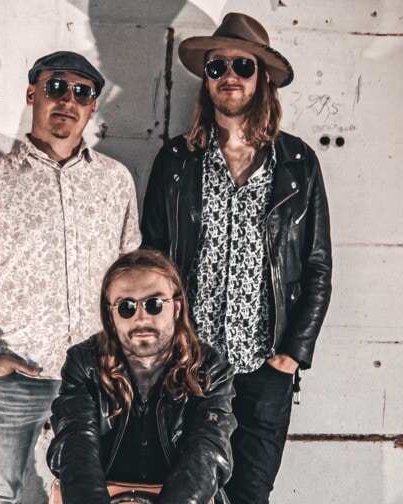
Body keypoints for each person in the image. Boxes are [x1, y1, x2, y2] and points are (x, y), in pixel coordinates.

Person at [141, 12, 332, 504]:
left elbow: (317, 267)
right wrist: (162, 348)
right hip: (189, 363)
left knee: (250, 496)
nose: (229, 76)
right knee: (182, 493)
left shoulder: (297, 163)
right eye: (217, 66)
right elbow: (152, 262)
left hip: (265, 369)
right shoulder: (176, 161)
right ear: (206, 80)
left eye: (242, 65)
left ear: (262, 77)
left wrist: (291, 356)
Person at [0, 51, 141, 503]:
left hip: (98, 375)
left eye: (81, 92)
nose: (67, 100)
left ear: (92, 106)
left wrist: (128, 359)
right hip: (15, 375)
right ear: (32, 93)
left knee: (98, 493)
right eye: (56, 87)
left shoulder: (116, 181)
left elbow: (131, 281)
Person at [47, 249, 236, 504]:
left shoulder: (209, 367)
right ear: (111, 315)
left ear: (177, 307)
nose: (141, 318)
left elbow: (207, 452)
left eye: (154, 304)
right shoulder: (84, 363)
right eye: (126, 307)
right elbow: (75, 444)